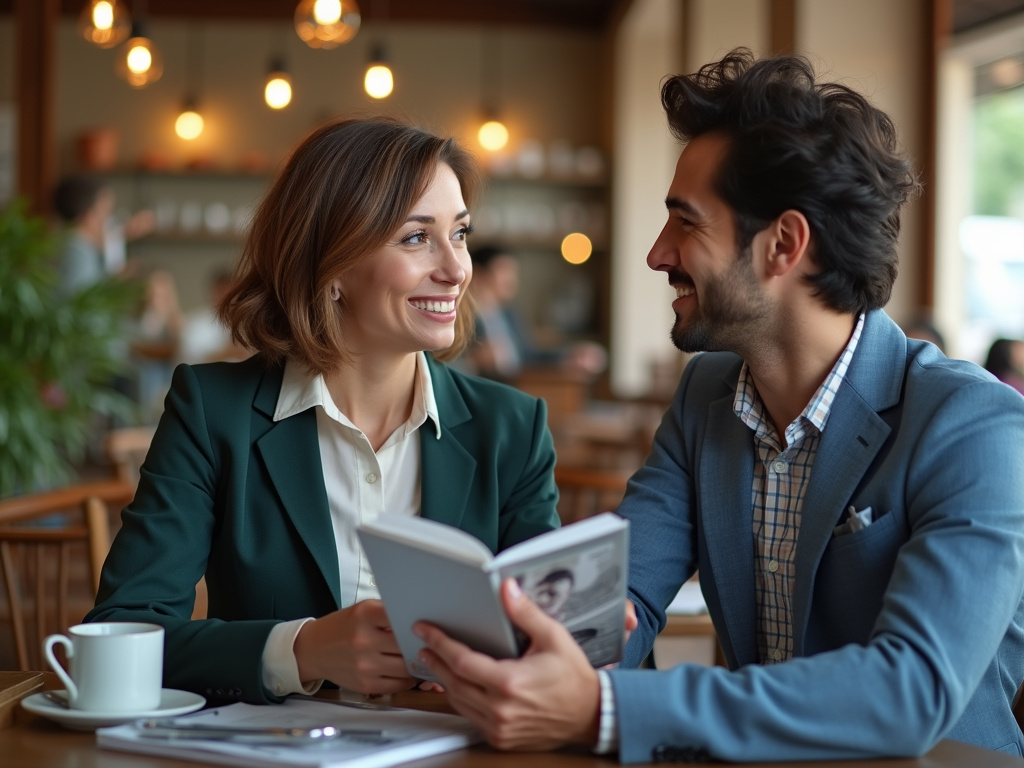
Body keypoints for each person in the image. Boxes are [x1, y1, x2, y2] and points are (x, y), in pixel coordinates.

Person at [415, 49, 1024, 762]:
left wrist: (606, 706)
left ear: (783, 245)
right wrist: (531, 648)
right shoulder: (706, 393)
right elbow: (628, 592)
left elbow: (910, 690)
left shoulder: (974, 425)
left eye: (686, 223)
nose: (655, 253)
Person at [86, 117, 562, 705]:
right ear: (332, 266)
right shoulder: (213, 412)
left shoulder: (512, 429)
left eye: (459, 233)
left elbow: (549, 645)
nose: (457, 268)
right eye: (417, 238)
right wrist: (302, 650)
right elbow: (130, 628)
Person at [465, 244, 606, 381]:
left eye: (513, 273)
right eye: (504, 272)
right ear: (477, 272)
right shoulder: (461, 315)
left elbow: (528, 356)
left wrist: (570, 356)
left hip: (520, 387)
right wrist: (472, 361)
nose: (512, 280)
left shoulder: (511, 314)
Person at [51, 173, 153, 296]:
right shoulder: (77, 255)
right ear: (88, 216)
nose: (108, 220)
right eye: (106, 211)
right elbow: (83, 308)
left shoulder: (70, 245)